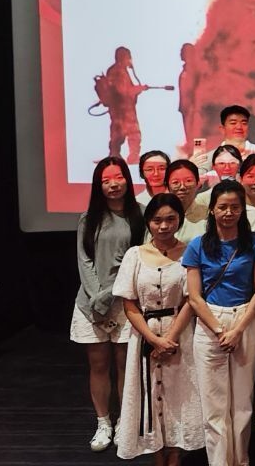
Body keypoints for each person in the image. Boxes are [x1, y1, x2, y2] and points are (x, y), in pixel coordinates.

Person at [183, 181, 255, 466]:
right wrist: (221, 330)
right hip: (210, 322)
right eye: (222, 207)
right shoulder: (197, 245)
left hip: (246, 319)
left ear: (243, 210)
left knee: (243, 403)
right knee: (214, 405)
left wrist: (238, 329)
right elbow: (194, 297)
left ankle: (241, 460)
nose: (229, 212)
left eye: (235, 207)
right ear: (212, 209)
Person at [113, 193, 204, 464]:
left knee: (178, 393)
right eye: (157, 220)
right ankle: (156, 455)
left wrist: (170, 338)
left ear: (180, 220)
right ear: (148, 222)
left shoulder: (190, 252)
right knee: (148, 393)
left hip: (179, 334)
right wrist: (153, 339)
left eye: (170, 219)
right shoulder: (135, 255)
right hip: (145, 334)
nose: (164, 226)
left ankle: (175, 456)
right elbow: (129, 304)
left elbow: (191, 300)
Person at [73, 158, 145, 453]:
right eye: (106, 180)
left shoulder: (141, 214)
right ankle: (104, 422)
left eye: (118, 177)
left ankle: (126, 422)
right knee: (99, 364)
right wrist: (97, 298)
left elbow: (138, 260)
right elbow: (84, 261)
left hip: (126, 302)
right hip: (90, 304)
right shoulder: (88, 218)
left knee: (125, 364)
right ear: (98, 185)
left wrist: (112, 295)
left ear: (127, 179)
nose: (113, 184)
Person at [166, 160, 209, 242]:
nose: (182, 187)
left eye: (188, 181)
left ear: (198, 183)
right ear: (167, 186)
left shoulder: (208, 214)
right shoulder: (159, 215)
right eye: (175, 182)